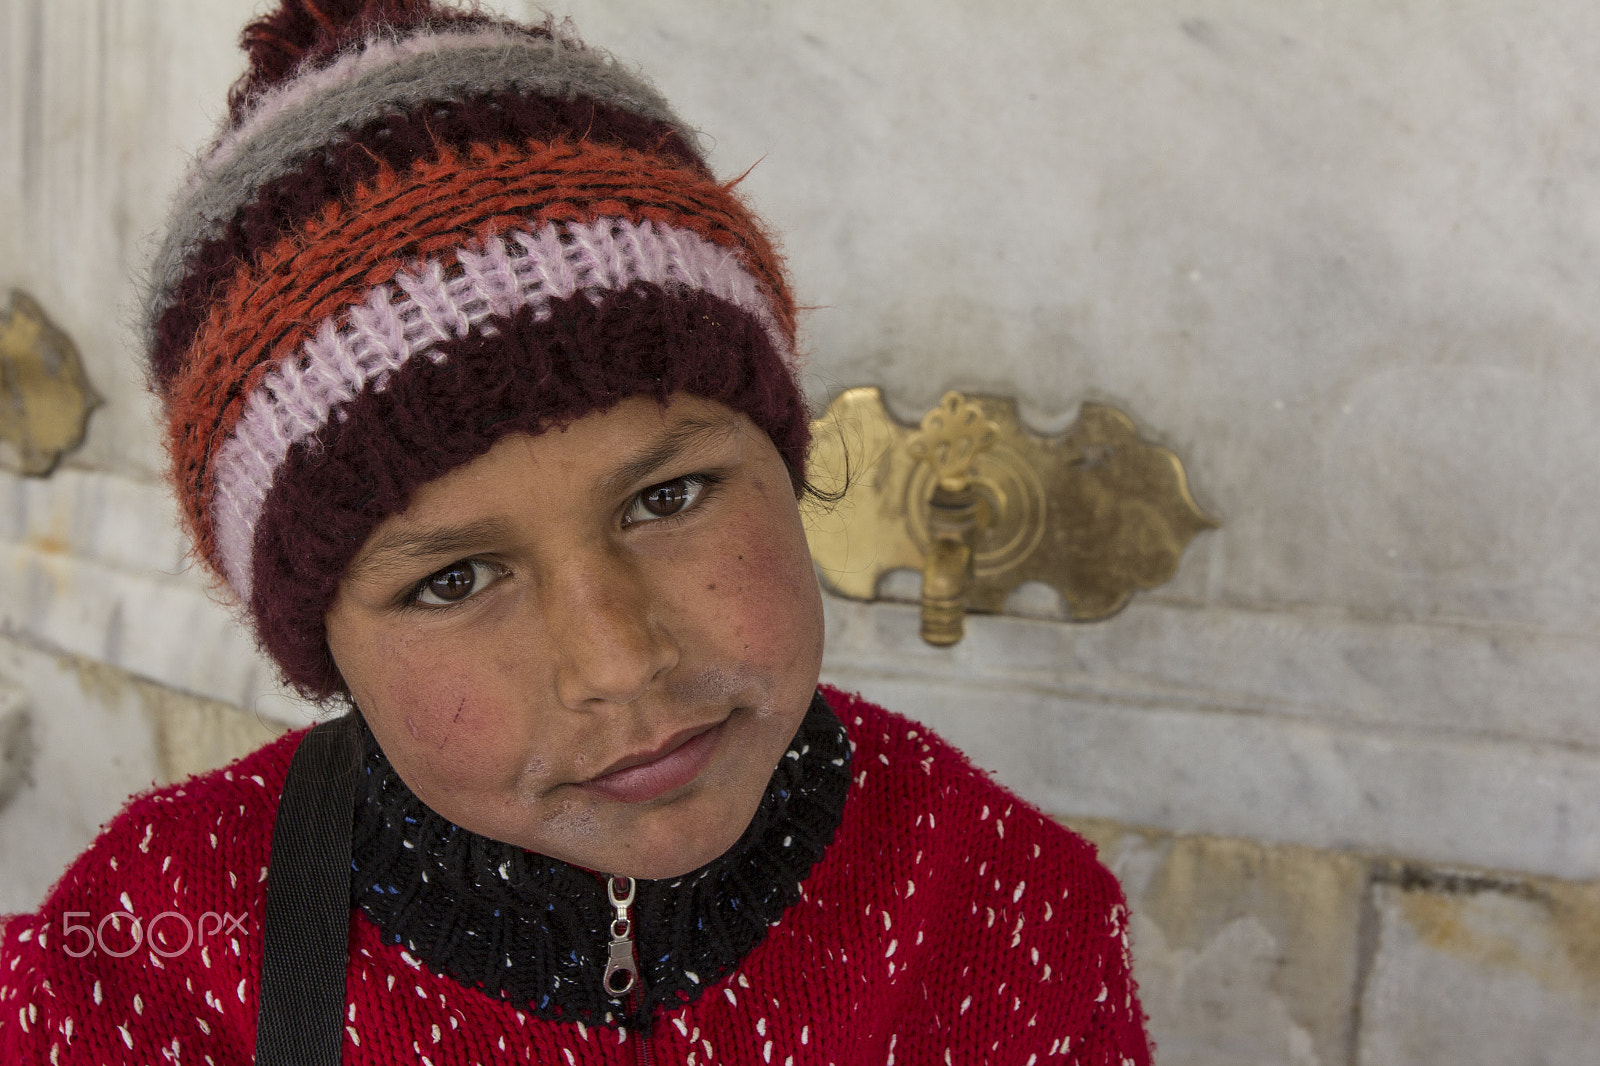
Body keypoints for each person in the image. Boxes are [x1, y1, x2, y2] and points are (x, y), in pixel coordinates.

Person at [0, 2, 1153, 1061]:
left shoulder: (1009, 901)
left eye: (666, 499)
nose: (618, 660)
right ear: (323, 648)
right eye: (454, 578)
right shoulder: (146, 954)